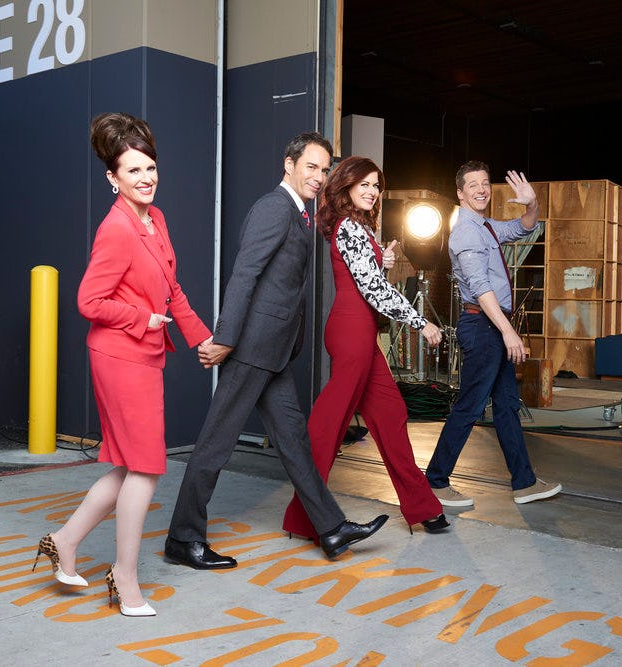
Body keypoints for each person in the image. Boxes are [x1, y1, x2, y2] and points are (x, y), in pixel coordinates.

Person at [165, 132, 388, 567]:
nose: (319, 177)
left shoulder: (300, 212)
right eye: (311, 167)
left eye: (324, 170)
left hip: (275, 352)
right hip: (252, 348)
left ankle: (331, 528)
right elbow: (244, 274)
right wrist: (225, 338)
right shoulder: (274, 207)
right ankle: (183, 538)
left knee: (294, 442)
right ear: (289, 164)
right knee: (216, 444)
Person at [32, 112, 213, 617]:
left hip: (142, 356)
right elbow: (88, 300)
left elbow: (173, 289)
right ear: (113, 178)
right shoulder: (115, 229)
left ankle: (64, 541)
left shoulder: (156, 220)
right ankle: (125, 576)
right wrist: (142, 318)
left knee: (131, 466)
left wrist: (204, 339)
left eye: (150, 167)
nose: (146, 178)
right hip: (119, 355)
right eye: (133, 170)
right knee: (147, 467)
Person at [280, 157, 450, 538]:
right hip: (351, 331)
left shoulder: (360, 227)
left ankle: (422, 506)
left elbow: (369, 278)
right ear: (347, 186)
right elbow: (373, 290)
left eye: (376, 186)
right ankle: (303, 517)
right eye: (365, 184)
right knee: (330, 423)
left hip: (360, 332)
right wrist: (421, 323)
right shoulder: (349, 227)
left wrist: (382, 261)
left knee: (391, 414)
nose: (372, 191)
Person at [425, 161, 562, 508]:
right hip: (483, 326)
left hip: (491, 326)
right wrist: (509, 332)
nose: (481, 189)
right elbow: (480, 287)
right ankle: (435, 482)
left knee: (506, 407)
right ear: (460, 193)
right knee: (470, 406)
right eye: (472, 185)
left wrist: (532, 203)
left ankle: (524, 482)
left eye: (485, 183)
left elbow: (522, 227)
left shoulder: (484, 226)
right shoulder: (467, 232)